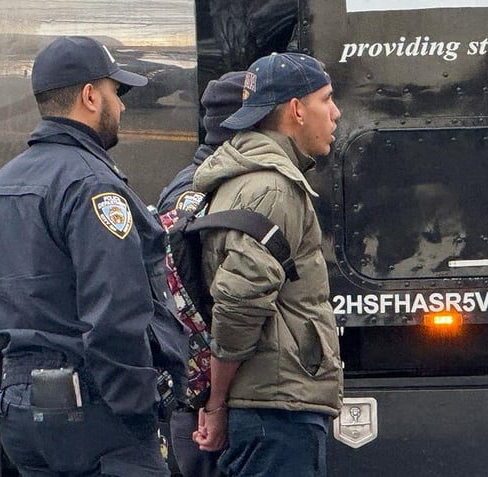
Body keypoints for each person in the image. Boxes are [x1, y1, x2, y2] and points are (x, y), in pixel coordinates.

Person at [0, 36, 186, 477]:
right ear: (90, 96)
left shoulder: (1, 184)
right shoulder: (92, 185)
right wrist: (139, 407)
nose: (122, 107)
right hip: (96, 417)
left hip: (22, 412)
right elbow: (115, 308)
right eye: (116, 92)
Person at [190, 52, 344, 476]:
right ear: (296, 109)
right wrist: (216, 402)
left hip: (273, 405)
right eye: (326, 99)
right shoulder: (272, 188)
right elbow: (239, 305)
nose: (336, 112)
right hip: (276, 411)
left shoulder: (250, 179)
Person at [157, 70, 247, 477]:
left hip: (196, 397)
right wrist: (214, 397)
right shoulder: (204, 194)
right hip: (204, 400)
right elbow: (194, 305)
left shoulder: (188, 185)